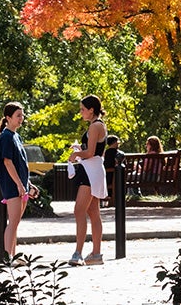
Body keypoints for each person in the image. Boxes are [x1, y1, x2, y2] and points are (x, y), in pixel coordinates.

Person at [0, 101, 38, 264]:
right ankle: (8, 257)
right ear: (8, 118)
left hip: (21, 185)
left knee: (16, 222)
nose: (21, 118)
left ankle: (14, 255)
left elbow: (21, 164)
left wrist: (28, 184)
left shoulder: (16, 136)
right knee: (13, 222)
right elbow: (7, 162)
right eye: (18, 115)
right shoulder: (6, 136)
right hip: (12, 185)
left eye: (22, 115)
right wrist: (20, 185)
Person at [68, 94, 108, 266]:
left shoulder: (94, 126)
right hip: (95, 170)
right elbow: (95, 151)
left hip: (90, 172)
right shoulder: (100, 125)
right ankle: (96, 253)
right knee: (93, 212)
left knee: (79, 211)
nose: (81, 112)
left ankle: (78, 253)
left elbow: (90, 153)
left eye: (83, 109)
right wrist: (80, 149)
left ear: (91, 110)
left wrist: (76, 154)